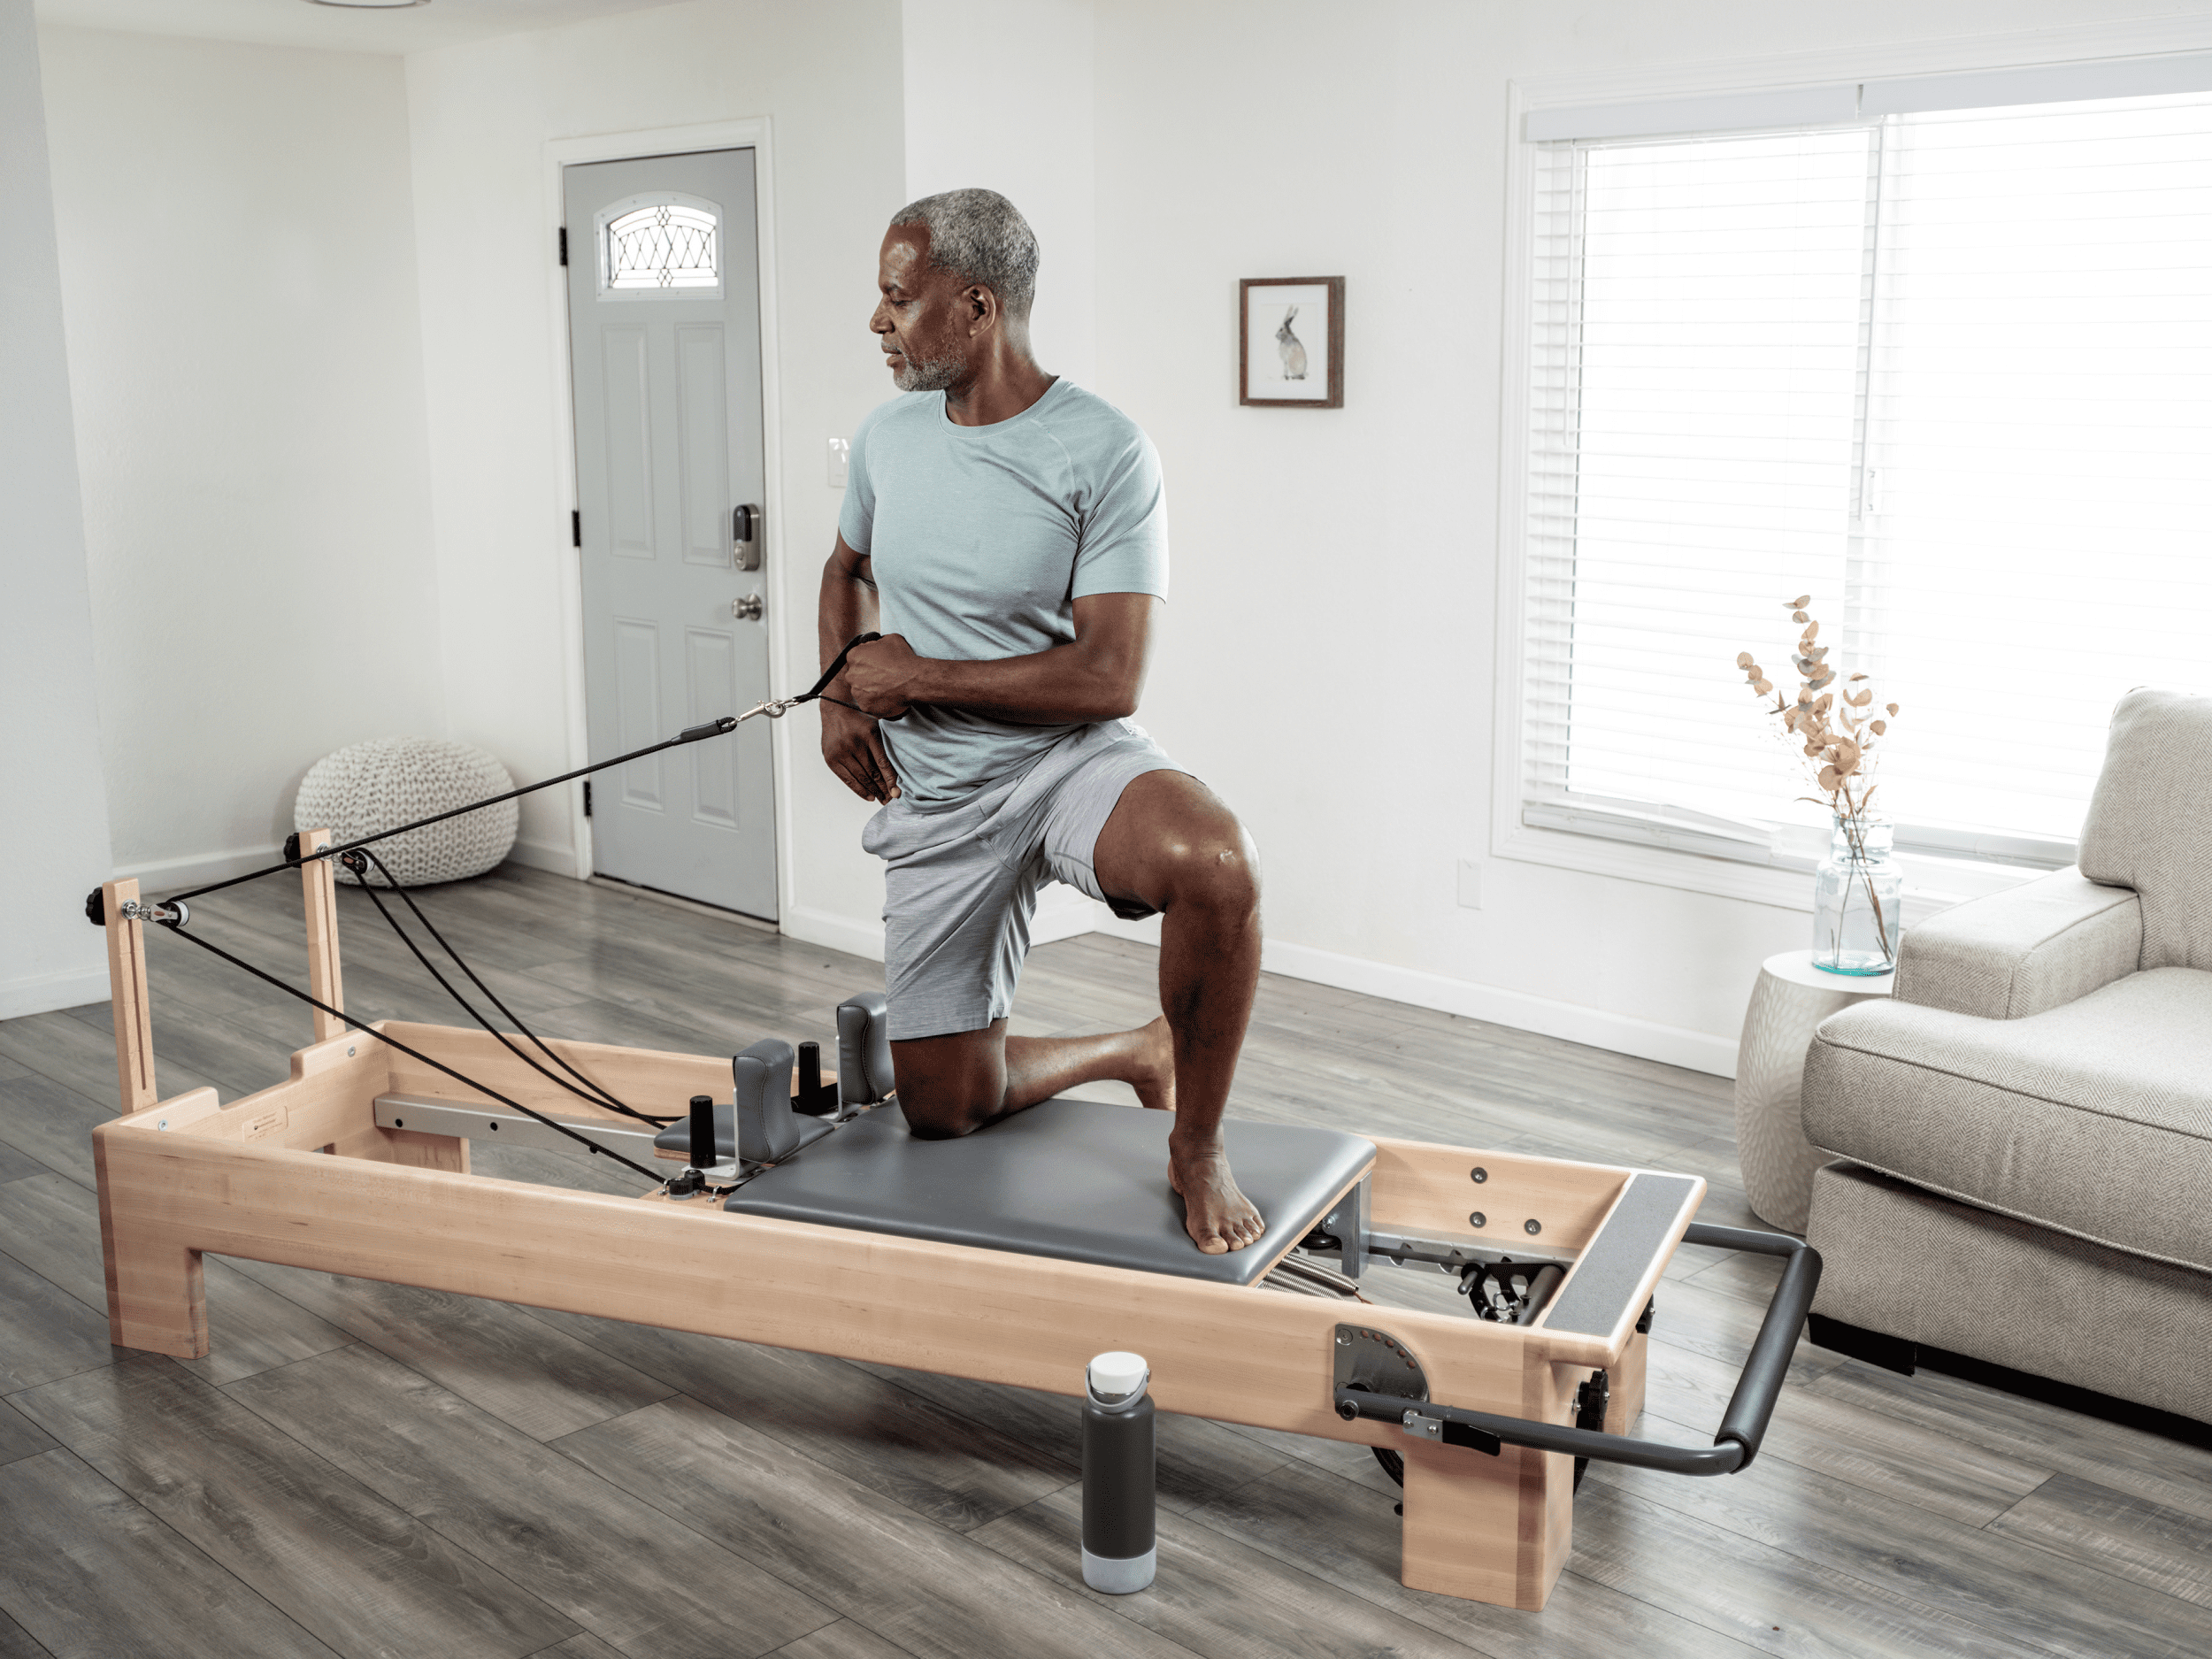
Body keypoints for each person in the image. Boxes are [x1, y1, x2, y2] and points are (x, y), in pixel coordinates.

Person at [817, 188, 1265, 1255]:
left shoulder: (1105, 449)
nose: (876, 322)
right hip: (939, 795)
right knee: (942, 1105)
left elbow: (1109, 681)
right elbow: (845, 569)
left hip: (1067, 760)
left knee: (1215, 864)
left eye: (897, 298)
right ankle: (1139, 1050)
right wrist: (837, 693)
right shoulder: (887, 439)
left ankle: (1195, 1146)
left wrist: (915, 677)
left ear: (975, 308)